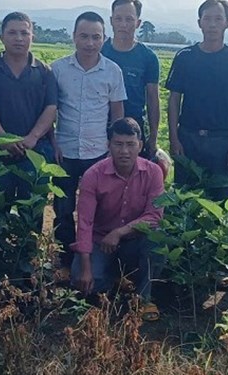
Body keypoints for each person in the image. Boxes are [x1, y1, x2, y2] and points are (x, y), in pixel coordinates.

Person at [51, 11, 127, 268]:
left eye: (96, 37)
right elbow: (50, 110)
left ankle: (97, 255)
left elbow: (117, 113)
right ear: (74, 37)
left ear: (104, 39)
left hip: (98, 151)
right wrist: (53, 143)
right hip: (65, 150)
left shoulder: (112, 71)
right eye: (84, 36)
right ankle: (65, 256)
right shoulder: (58, 69)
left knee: (100, 208)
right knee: (63, 206)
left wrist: (113, 148)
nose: (90, 42)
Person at [71, 118, 165, 320]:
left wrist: (120, 232)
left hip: (134, 241)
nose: (124, 151)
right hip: (100, 241)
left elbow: (154, 216)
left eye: (130, 144)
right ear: (108, 145)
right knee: (87, 282)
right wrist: (86, 268)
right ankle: (112, 279)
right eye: (118, 144)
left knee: (158, 239)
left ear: (140, 146)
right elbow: (84, 223)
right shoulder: (93, 175)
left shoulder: (153, 172)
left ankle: (143, 298)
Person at [166, 0, 228, 199]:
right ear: (199, 22)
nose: (212, 24)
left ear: (227, 23)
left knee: (220, 200)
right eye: (207, 19)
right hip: (188, 138)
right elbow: (173, 100)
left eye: (218, 19)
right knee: (184, 200)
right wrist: (174, 137)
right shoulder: (185, 57)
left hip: (222, 140)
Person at [0, 12, 57, 203]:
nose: (19, 38)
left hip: (36, 152)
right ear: (1, 37)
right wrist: (3, 139)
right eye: (12, 33)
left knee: (32, 211)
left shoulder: (44, 72)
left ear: (32, 37)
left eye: (24, 33)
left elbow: (51, 108)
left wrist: (32, 138)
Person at [101, 0, 160, 159]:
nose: (123, 24)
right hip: (99, 129)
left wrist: (153, 137)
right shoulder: (100, 51)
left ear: (138, 23)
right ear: (111, 21)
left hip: (134, 130)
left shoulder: (148, 57)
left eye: (129, 19)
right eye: (118, 19)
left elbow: (153, 99)